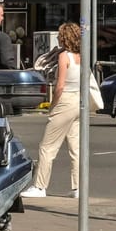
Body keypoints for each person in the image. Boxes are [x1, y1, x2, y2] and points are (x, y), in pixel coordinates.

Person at [22, 22, 86, 199]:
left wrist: (52, 105)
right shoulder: (82, 56)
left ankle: (40, 186)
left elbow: (59, 86)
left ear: (64, 37)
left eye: (60, 35)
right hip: (78, 101)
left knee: (47, 147)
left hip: (65, 101)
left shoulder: (64, 56)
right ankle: (78, 187)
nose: (58, 38)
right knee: (76, 147)